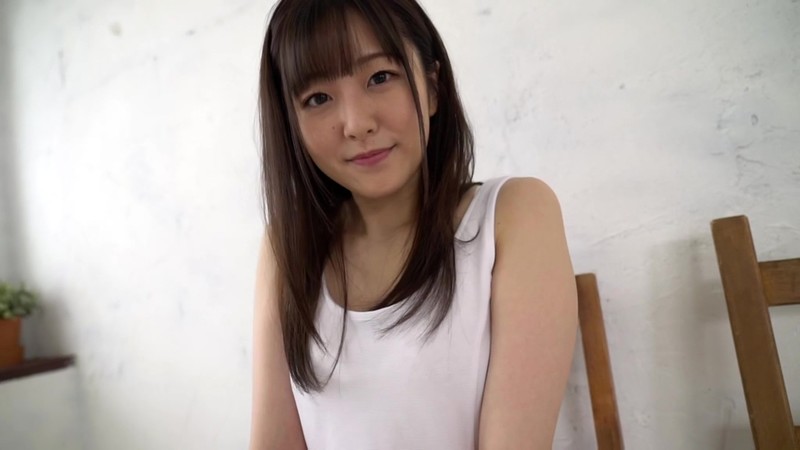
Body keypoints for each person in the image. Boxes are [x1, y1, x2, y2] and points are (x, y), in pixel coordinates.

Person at [249, 0, 578, 449]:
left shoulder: (514, 215)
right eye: (318, 99)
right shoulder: (287, 249)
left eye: (380, 77)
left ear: (433, 87)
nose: (356, 124)